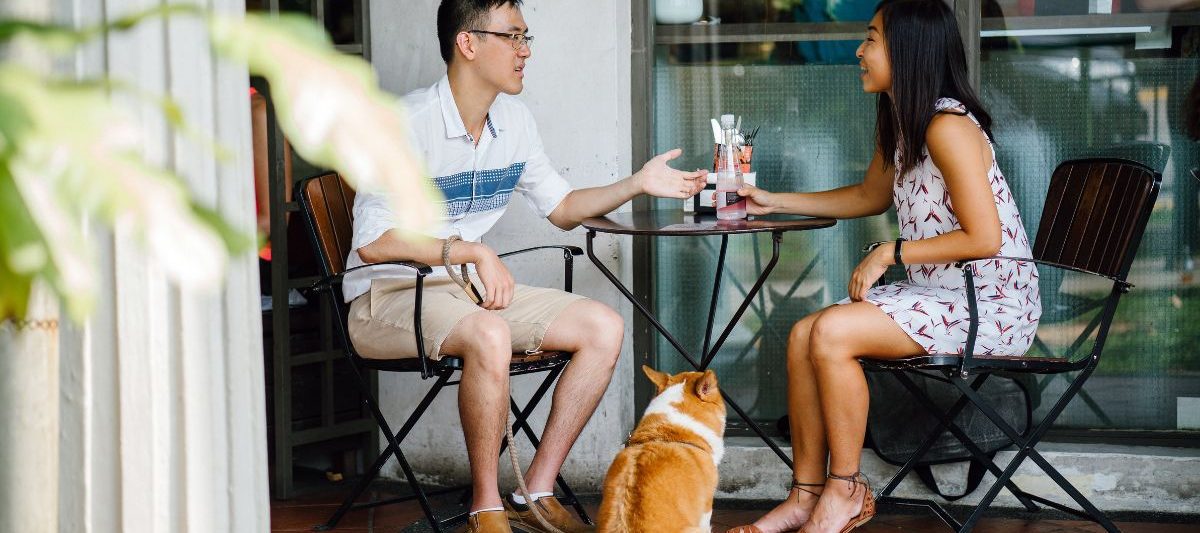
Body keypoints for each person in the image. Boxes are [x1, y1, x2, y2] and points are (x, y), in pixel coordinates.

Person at [342, 1, 707, 532]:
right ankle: (485, 509)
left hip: (463, 293)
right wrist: (470, 251)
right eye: (512, 37)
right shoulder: (404, 124)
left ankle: (532, 496)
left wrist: (636, 183)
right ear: (468, 44)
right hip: (387, 298)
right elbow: (372, 242)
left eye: (526, 36)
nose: (525, 50)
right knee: (489, 333)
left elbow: (561, 208)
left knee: (602, 327)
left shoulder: (512, 120)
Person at [727, 1, 1042, 532]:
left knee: (829, 332)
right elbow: (870, 196)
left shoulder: (946, 127)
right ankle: (805, 497)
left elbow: (985, 237)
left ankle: (844, 492)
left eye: (871, 39)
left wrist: (890, 252)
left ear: (908, 50)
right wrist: (774, 199)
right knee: (804, 332)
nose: (858, 50)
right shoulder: (905, 122)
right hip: (944, 296)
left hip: (991, 306)